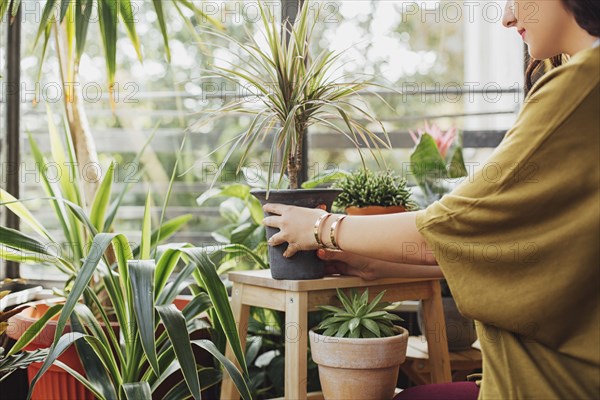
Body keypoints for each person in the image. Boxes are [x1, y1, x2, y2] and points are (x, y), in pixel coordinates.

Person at [262, 0, 600, 398]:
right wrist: (380, 262)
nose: (508, 17)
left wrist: (323, 227)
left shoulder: (579, 88)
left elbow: (462, 223)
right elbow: (538, 249)